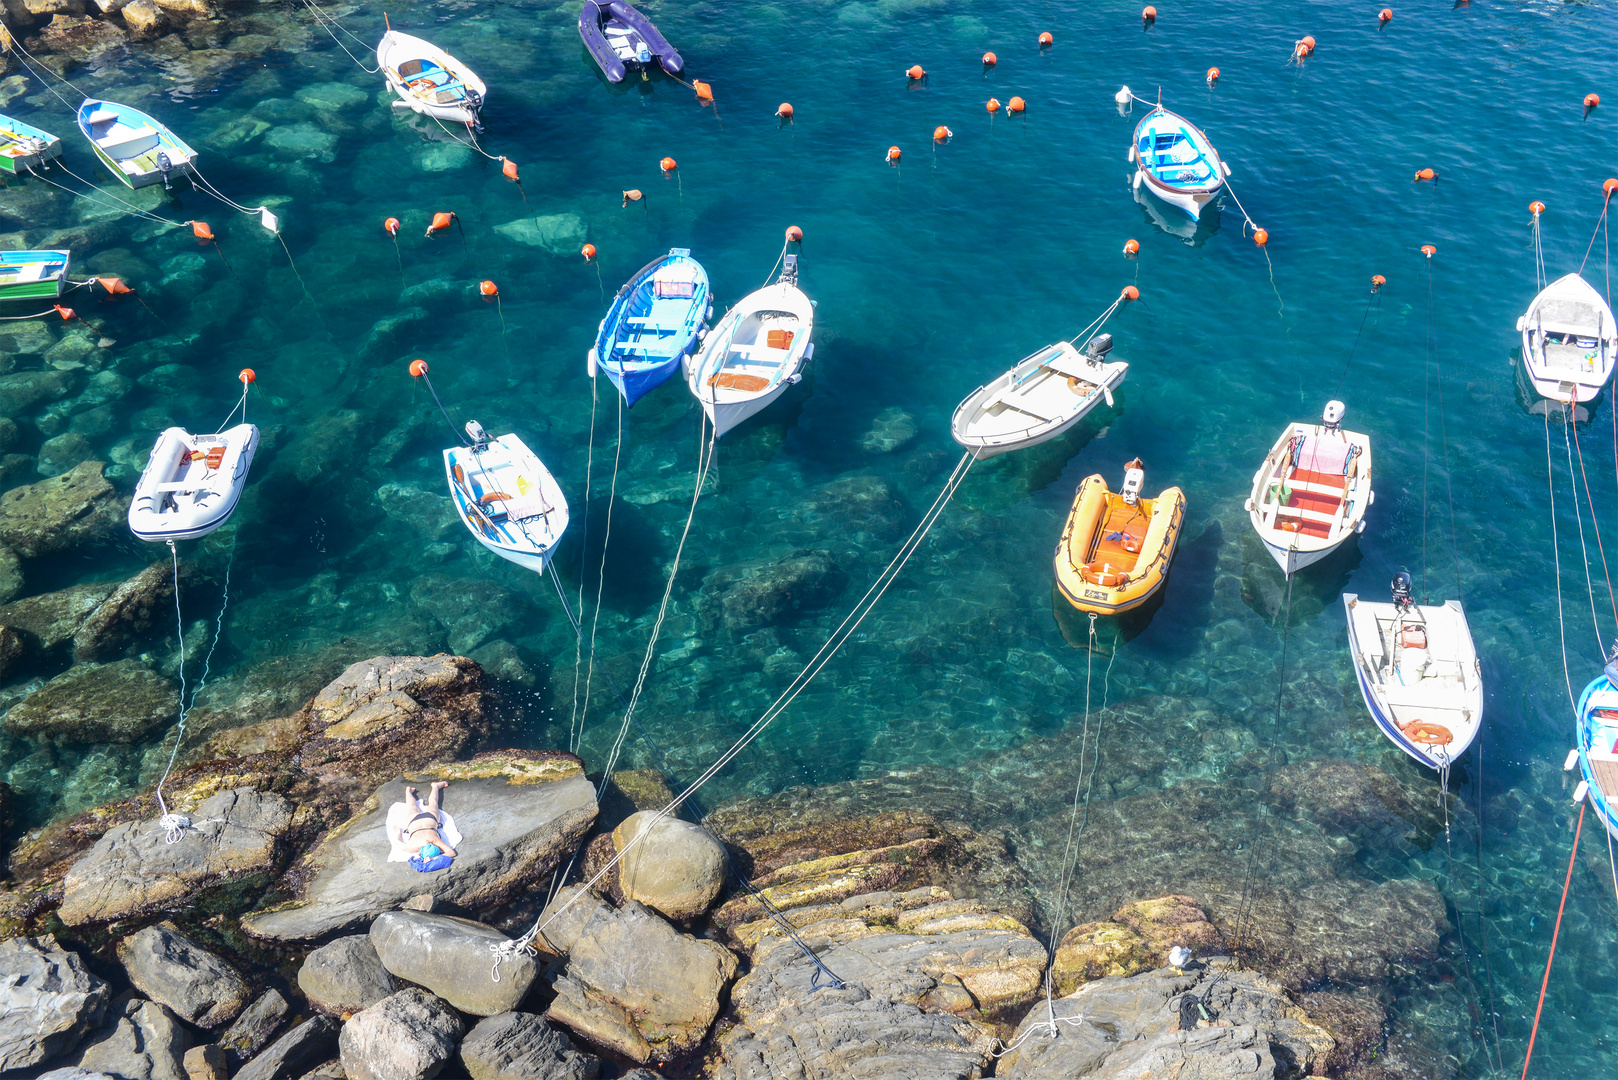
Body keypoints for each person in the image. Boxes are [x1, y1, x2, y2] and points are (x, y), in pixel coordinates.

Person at [401, 781, 457, 861]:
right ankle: (408, 792)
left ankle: (435, 787)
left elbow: (451, 853)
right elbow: (397, 842)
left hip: (429, 821)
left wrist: (433, 858)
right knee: (412, 807)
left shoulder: (433, 840)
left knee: (432, 803)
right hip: (414, 824)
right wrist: (397, 834)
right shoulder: (411, 847)